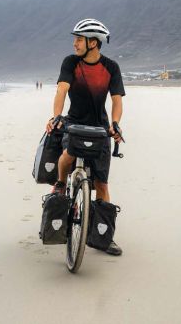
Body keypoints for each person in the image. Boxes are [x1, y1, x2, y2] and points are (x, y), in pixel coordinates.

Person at [45, 18, 125, 256]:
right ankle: (60, 185)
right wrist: (56, 116)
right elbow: (62, 89)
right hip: (74, 123)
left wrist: (115, 124)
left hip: (100, 128)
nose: (75, 44)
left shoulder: (111, 68)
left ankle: (104, 237)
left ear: (94, 43)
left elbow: (117, 100)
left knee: (102, 183)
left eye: (79, 39)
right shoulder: (71, 63)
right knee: (66, 157)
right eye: (75, 39)